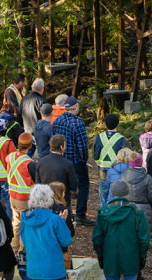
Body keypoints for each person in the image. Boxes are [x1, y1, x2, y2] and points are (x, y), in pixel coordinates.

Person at [93, 179, 150, 280]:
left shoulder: (103, 212)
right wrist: (142, 256)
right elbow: (144, 238)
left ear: (112, 192)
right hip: (130, 255)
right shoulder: (135, 212)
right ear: (127, 193)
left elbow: (97, 238)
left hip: (110, 255)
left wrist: (100, 255)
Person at [51, 96, 92, 225]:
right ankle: (80, 214)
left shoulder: (57, 121)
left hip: (61, 160)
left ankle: (66, 212)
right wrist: (84, 159)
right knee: (83, 187)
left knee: (64, 187)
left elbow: (54, 139)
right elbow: (82, 145)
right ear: (75, 108)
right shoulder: (78, 123)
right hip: (76, 162)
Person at [34, 135, 82, 243]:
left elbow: (37, 184)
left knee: (48, 234)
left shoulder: (41, 162)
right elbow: (74, 186)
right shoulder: (67, 164)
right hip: (62, 204)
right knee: (64, 232)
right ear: (61, 147)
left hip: (46, 204)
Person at [48, 181, 77, 280]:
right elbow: (69, 234)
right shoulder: (64, 209)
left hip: (46, 249)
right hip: (60, 250)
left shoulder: (45, 209)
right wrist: (72, 225)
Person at [8, 133, 39, 252]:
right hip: (25, 199)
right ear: (31, 145)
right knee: (26, 226)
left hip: (13, 196)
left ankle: (14, 248)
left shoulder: (10, 156)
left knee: (16, 223)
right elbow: (36, 181)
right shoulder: (29, 163)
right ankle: (23, 252)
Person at [120, 153, 152, 238]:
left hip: (127, 207)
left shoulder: (122, 176)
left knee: (129, 233)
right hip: (144, 207)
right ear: (141, 162)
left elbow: (121, 194)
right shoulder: (148, 178)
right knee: (144, 233)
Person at [93, 113, 126, 184]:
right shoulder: (123, 139)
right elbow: (128, 157)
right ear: (117, 124)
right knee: (115, 194)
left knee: (103, 194)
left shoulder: (98, 138)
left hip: (102, 172)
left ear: (105, 124)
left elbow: (94, 154)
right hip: (117, 173)